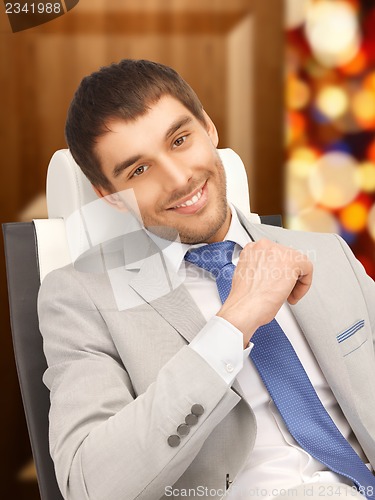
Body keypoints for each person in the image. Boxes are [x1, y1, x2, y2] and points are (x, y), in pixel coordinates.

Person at [38, 59, 375, 500]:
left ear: (209, 128)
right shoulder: (81, 296)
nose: (179, 179)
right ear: (110, 197)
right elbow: (91, 486)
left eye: (180, 140)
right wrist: (230, 326)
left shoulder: (325, 252)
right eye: (138, 170)